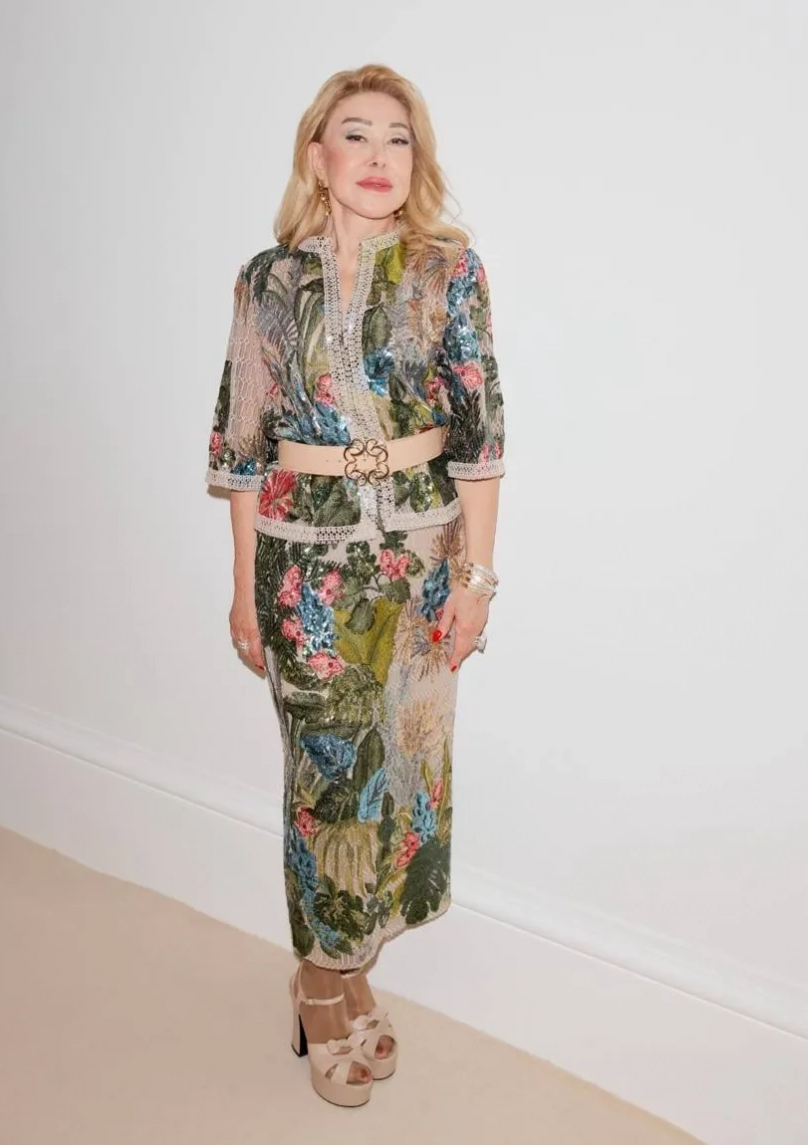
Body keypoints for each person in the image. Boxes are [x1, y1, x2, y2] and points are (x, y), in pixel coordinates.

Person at [205, 63, 505, 1107]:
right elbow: (242, 447)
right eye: (357, 134)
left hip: (420, 563)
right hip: (304, 566)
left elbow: (480, 439)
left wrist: (476, 578)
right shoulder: (266, 282)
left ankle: (348, 968)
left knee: (401, 776)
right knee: (330, 780)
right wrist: (245, 587)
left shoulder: (448, 271)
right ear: (317, 155)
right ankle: (320, 985)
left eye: (398, 138)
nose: (379, 156)